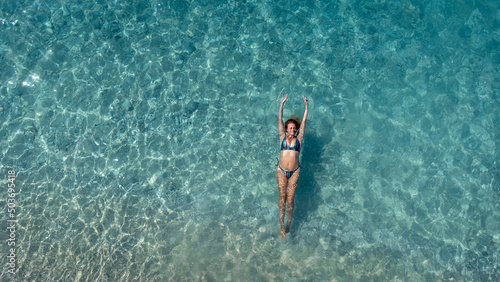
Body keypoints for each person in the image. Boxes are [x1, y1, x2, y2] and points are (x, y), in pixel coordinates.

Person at [276, 93, 308, 239]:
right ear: (286, 128)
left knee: (290, 201)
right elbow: (279, 120)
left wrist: (306, 106)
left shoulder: (299, 139)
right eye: (290, 128)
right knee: (282, 200)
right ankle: (282, 226)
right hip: (281, 171)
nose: (293, 130)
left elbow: (304, 124)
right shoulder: (282, 137)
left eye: (294, 128)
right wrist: (282, 104)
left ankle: (289, 221)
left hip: (294, 172)